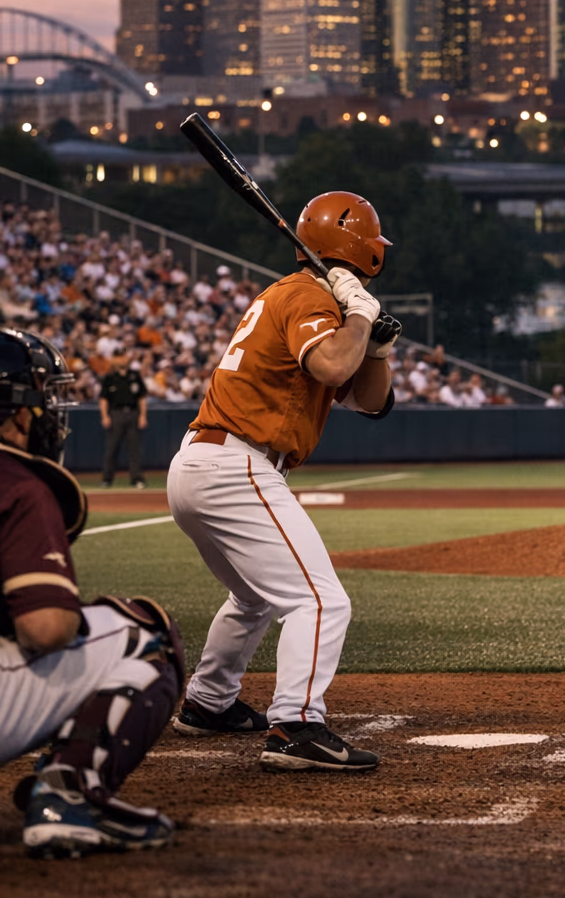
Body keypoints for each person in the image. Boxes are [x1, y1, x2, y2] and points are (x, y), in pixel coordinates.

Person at [0, 327, 182, 857]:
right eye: (42, 399)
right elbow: (46, 628)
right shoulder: (10, 476)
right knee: (141, 631)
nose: (48, 414)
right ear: (12, 411)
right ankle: (70, 798)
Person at [167, 190, 400, 772]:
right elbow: (329, 366)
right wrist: (358, 316)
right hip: (236, 465)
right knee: (320, 600)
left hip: (204, 463)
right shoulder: (305, 296)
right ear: (359, 246)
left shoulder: (310, 299)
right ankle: (296, 725)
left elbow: (371, 402)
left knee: (254, 596)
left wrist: (377, 346)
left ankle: (208, 703)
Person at [98, 353, 148, 488]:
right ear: (114, 360)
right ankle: (107, 479)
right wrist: (104, 416)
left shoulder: (134, 376)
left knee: (134, 449)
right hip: (116, 414)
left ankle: (137, 479)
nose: (122, 359)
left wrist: (143, 416)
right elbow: (103, 399)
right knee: (112, 449)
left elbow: (141, 398)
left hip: (132, 413)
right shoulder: (109, 378)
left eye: (124, 357)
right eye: (119, 357)